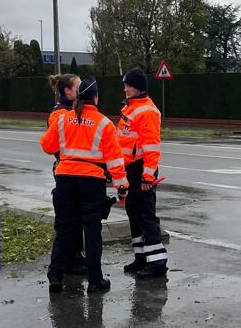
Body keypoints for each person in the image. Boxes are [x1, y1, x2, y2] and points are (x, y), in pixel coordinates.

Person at [41, 76, 128, 294]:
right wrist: (122, 185)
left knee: (63, 228)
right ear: (96, 98)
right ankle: (95, 281)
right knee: (91, 229)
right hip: (92, 181)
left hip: (65, 178)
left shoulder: (63, 118)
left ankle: (55, 277)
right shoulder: (104, 123)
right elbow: (115, 160)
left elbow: (47, 145)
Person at [117, 68, 168, 278]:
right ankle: (141, 258)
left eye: (128, 85)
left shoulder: (146, 111)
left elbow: (151, 147)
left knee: (146, 216)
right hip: (130, 170)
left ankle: (157, 263)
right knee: (134, 214)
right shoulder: (131, 108)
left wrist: (148, 177)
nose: (125, 88)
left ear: (138, 87)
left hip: (141, 170)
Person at [47, 73, 86, 275]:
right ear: (67, 91)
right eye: (78, 86)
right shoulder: (60, 113)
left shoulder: (72, 109)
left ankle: (76, 256)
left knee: (77, 217)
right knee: (69, 218)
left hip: (74, 170)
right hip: (66, 170)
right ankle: (69, 261)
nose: (82, 89)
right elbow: (54, 144)